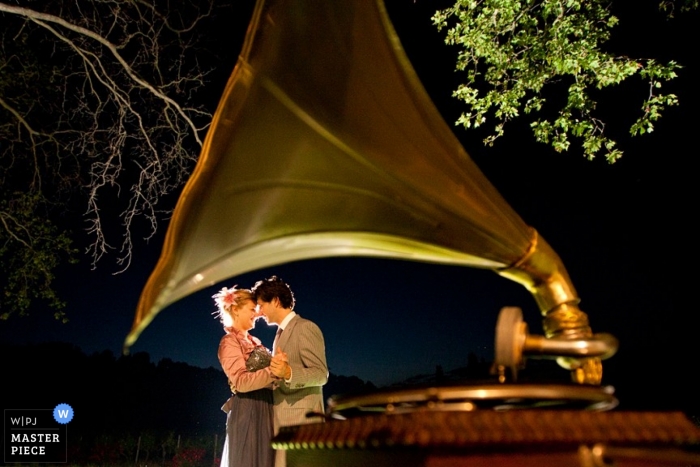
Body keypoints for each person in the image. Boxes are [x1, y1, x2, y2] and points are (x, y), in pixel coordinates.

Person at [252, 276, 328, 467]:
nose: (259, 312)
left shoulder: (305, 328)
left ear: (276, 301)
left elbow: (321, 374)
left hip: (302, 424)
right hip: (284, 424)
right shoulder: (279, 334)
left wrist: (289, 373)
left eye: (262, 305)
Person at [214, 286, 285, 467]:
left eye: (256, 309)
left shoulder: (256, 341)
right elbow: (241, 382)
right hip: (248, 408)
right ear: (236, 310)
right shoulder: (229, 341)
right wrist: (273, 371)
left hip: (267, 407)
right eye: (252, 309)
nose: (256, 314)